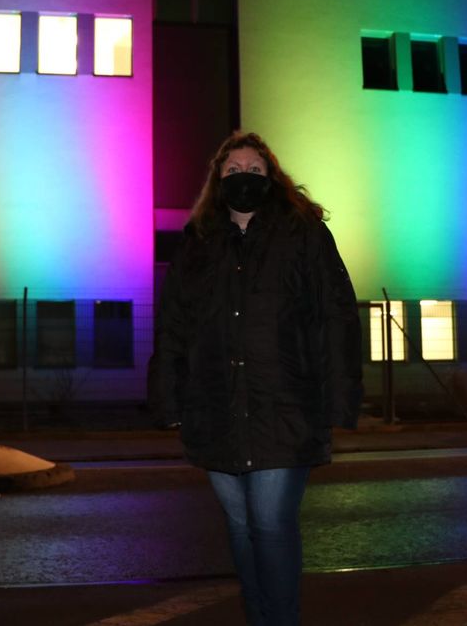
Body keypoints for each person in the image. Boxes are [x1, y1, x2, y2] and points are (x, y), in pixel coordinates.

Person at [149, 131, 363, 625]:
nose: (243, 178)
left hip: (285, 405)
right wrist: (169, 399)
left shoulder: (304, 234)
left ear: (273, 179)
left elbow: (336, 316)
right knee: (241, 526)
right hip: (215, 408)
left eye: (255, 170)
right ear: (216, 181)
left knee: (270, 524)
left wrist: (340, 398)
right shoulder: (199, 242)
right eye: (232, 171)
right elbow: (173, 324)